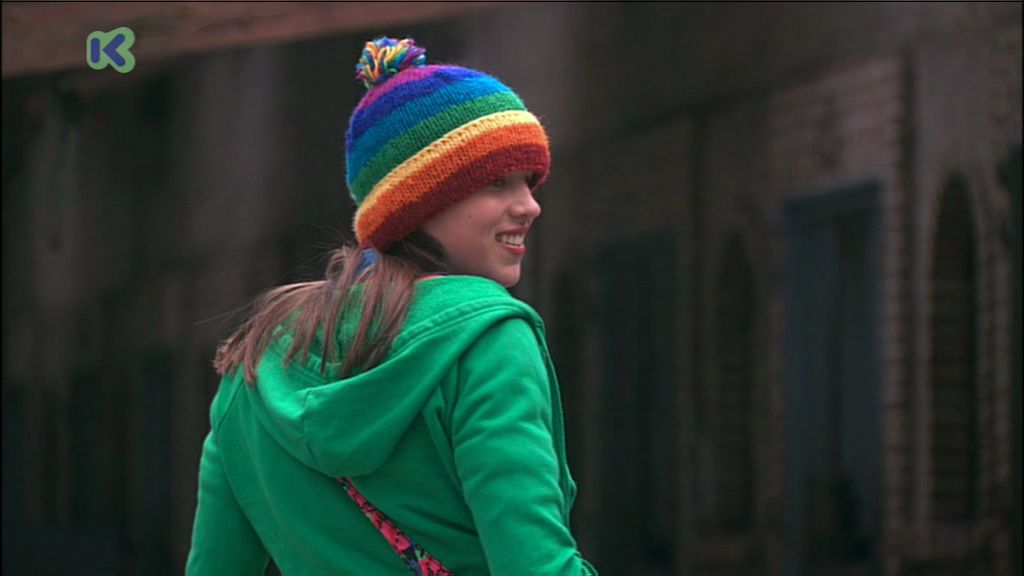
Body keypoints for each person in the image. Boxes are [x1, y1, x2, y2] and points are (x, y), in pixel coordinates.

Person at [186, 36, 598, 576]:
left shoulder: (255, 365)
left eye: (529, 182)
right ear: (421, 199)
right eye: (497, 182)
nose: (530, 206)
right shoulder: (485, 338)